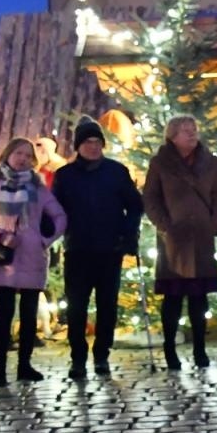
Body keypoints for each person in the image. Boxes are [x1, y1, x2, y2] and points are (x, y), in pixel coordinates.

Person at [52, 118, 143, 380]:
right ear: (78, 146)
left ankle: (101, 353)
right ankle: (77, 357)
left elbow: (135, 205)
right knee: (77, 307)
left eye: (97, 142)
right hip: (78, 249)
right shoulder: (65, 176)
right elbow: (55, 210)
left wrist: (128, 233)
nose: (93, 147)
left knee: (107, 306)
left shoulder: (116, 171)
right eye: (88, 142)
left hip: (109, 248)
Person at [0, 137, 68, 387]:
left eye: (28, 155)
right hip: (4, 257)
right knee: (4, 314)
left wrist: (46, 239)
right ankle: (1, 369)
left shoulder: (38, 189)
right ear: (8, 155)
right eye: (19, 153)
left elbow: (59, 215)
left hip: (33, 256)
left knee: (28, 316)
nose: (23, 159)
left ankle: (25, 365)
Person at [143, 115, 217, 370]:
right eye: (185, 130)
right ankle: (170, 349)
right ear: (172, 136)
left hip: (201, 237)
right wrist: (165, 225)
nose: (192, 134)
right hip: (173, 240)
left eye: (194, 129)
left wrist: (213, 224)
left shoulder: (209, 162)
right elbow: (151, 197)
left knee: (199, 298)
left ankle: (200, 349)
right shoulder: (160, 163)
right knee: (173, 298)